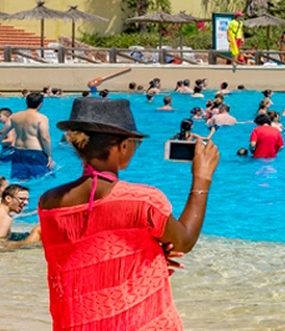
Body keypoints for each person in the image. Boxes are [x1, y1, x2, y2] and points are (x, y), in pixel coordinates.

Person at [39, 97, 220, 329]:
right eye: (136, 143)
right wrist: (202, 177)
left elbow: (81, 257)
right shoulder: (144, 200)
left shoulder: (48, 202)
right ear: (123, 146)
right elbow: (184, 241)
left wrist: (148, 252)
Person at [0, 93, 53, 180]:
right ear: (40, 104)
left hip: (18, 153)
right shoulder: (41, 118)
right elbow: (45, 138)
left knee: (21, 181)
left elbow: (2, 133)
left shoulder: (14, 116)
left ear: (26, 102)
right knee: (44, 178)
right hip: (35, 153)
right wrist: (49, 155)